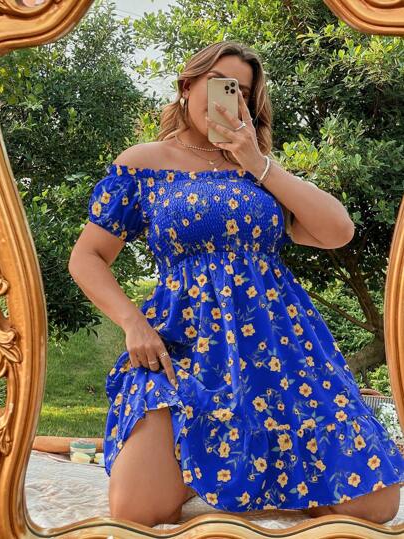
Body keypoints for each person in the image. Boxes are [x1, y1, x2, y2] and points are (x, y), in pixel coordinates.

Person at [69, 41, 404, 528]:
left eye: (242, 92)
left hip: (277, 349)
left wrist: (257, 161)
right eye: (219, 84)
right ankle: (203, 466)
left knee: (375, 505)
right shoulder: (143, 162)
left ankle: (262, 474)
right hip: (181, 346)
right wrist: (132, 322)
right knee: (136, 510)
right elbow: (87, 257)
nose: (230, 98)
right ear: (188, 86)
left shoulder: (259, 169)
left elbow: (338, 231)